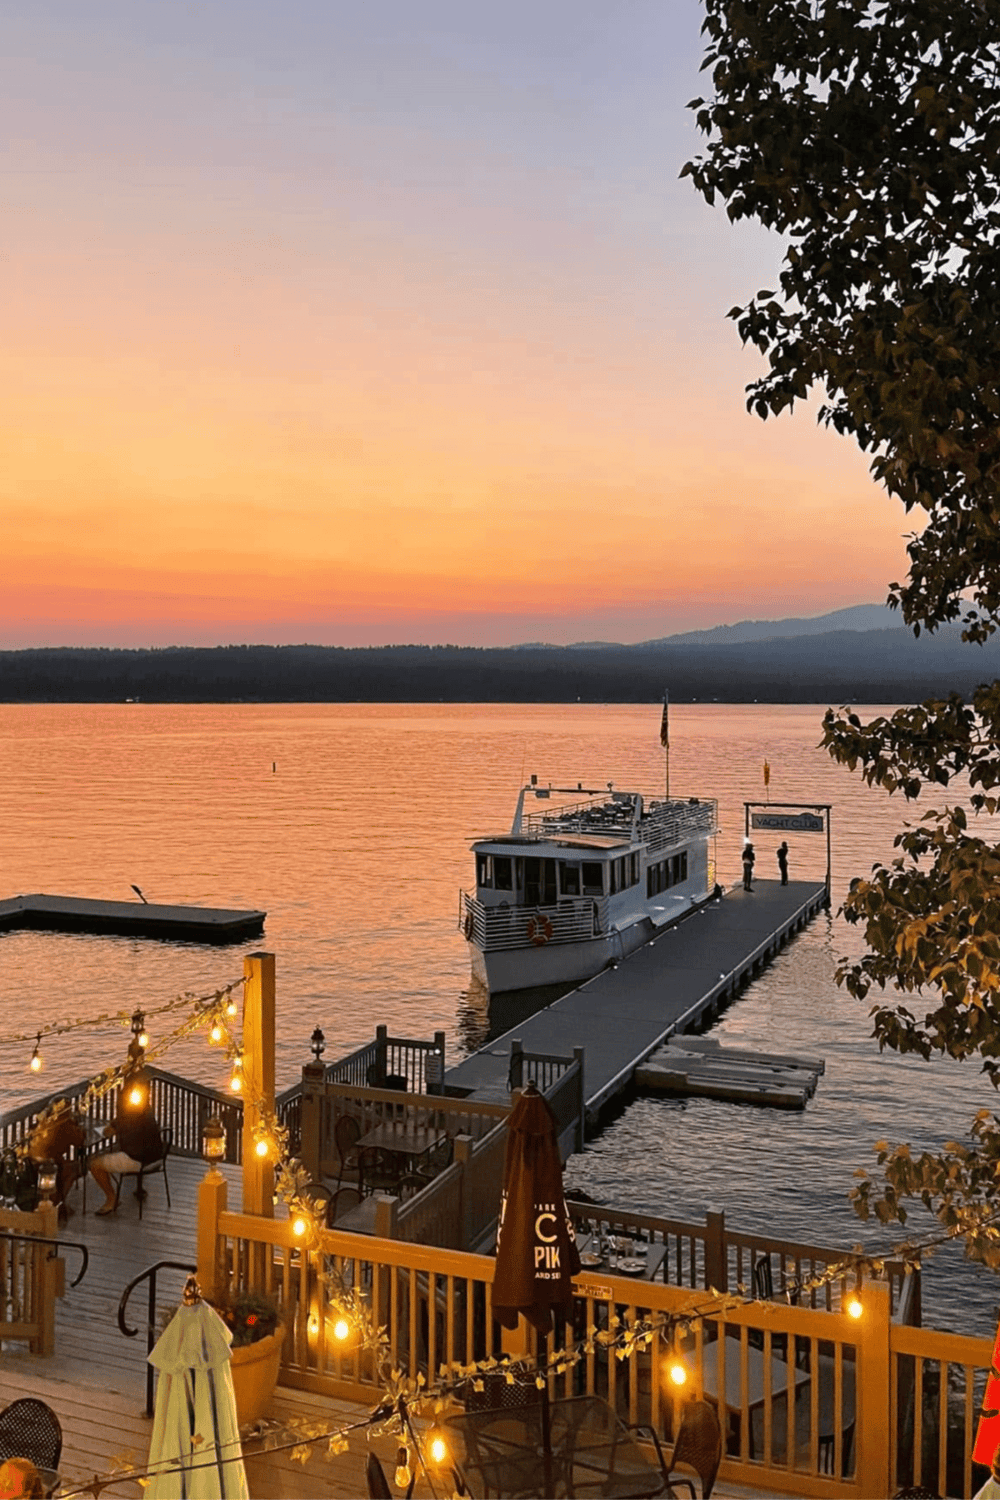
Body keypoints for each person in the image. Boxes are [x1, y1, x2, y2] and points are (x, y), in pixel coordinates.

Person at [89, 1073, 163, 1217]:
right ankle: (125, 1192)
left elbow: (108, 1132)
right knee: (110, 1156)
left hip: (138, 1159)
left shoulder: (129, 1115)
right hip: (156, 1157)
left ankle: (112, 1199)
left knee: (94, 1165)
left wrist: (111, 1127)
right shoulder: (146, 1110)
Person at [28, 1100, 86, 1220]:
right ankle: (59, 1202)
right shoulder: (65, 1125)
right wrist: (79, 1129)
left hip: (32, 1163)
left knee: (62, 1167)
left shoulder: (44, 1123)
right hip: (51, 1164)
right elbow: (79, 1141)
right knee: (76, 1168)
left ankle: (53, 1200)